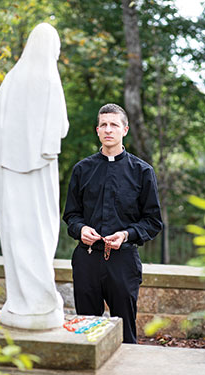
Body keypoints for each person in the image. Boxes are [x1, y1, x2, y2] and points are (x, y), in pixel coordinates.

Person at [0, 23, 69, 329]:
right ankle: (42, 304)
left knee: (18, 236)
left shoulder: (11, 79)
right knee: (41, 237)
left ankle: (21, 303)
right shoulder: (49, 77)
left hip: (12, 177)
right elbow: (61, 129)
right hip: (40, 176)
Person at [63, 103, 162, 343]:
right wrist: (81, 229)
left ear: (124, 130)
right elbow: (71, 215)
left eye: (114, 125)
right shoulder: (81, 170)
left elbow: (153, 221)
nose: (109, 129)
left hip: (123, 261)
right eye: (104, 125)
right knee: (86, 331)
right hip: (86, 260)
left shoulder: (142, 172)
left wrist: (127, 234)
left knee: (125, 332)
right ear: (97, 130)